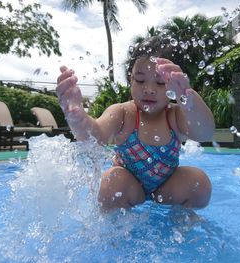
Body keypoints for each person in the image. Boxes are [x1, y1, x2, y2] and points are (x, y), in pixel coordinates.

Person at [56, 37, 215, 211]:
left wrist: (187, 99)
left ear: (172, 86)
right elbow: (97, 136)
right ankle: (115, 229)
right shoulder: (123, 113)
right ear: (130, 80)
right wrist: (78, 118)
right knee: (112, 182)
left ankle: (181, 218)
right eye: (140, 80)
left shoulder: (175, 116)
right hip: (129, 187)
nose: (149, 89)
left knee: (199, 184)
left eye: (161, 82)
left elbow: (205, 132)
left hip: (166, 188)